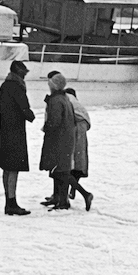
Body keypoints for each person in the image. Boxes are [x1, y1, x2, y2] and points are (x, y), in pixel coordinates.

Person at [40, 73, 92, 211]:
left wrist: (49, 131)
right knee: (61, 167)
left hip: (69, 133)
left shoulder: (60, 99)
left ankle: (70, 196)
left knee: (62, 169)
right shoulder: (65, 98)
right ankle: (59, 197)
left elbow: (56, 120)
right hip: (70, 132)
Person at [0, 60, 35, 216]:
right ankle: (12, 203)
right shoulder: (17, 86)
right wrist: (31, 116)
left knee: (7, 168)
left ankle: (9, 201)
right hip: (15, 131)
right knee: (13, 168)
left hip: (5, 130)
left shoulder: (5, 85)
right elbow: (24, 108)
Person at [65, 87, 91, 200]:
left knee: (67, 163)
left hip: (73, 130)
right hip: (82, 130)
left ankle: (64, 194)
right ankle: (73, 190)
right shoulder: (78, 104)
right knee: (79, 161)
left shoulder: (66, 100)